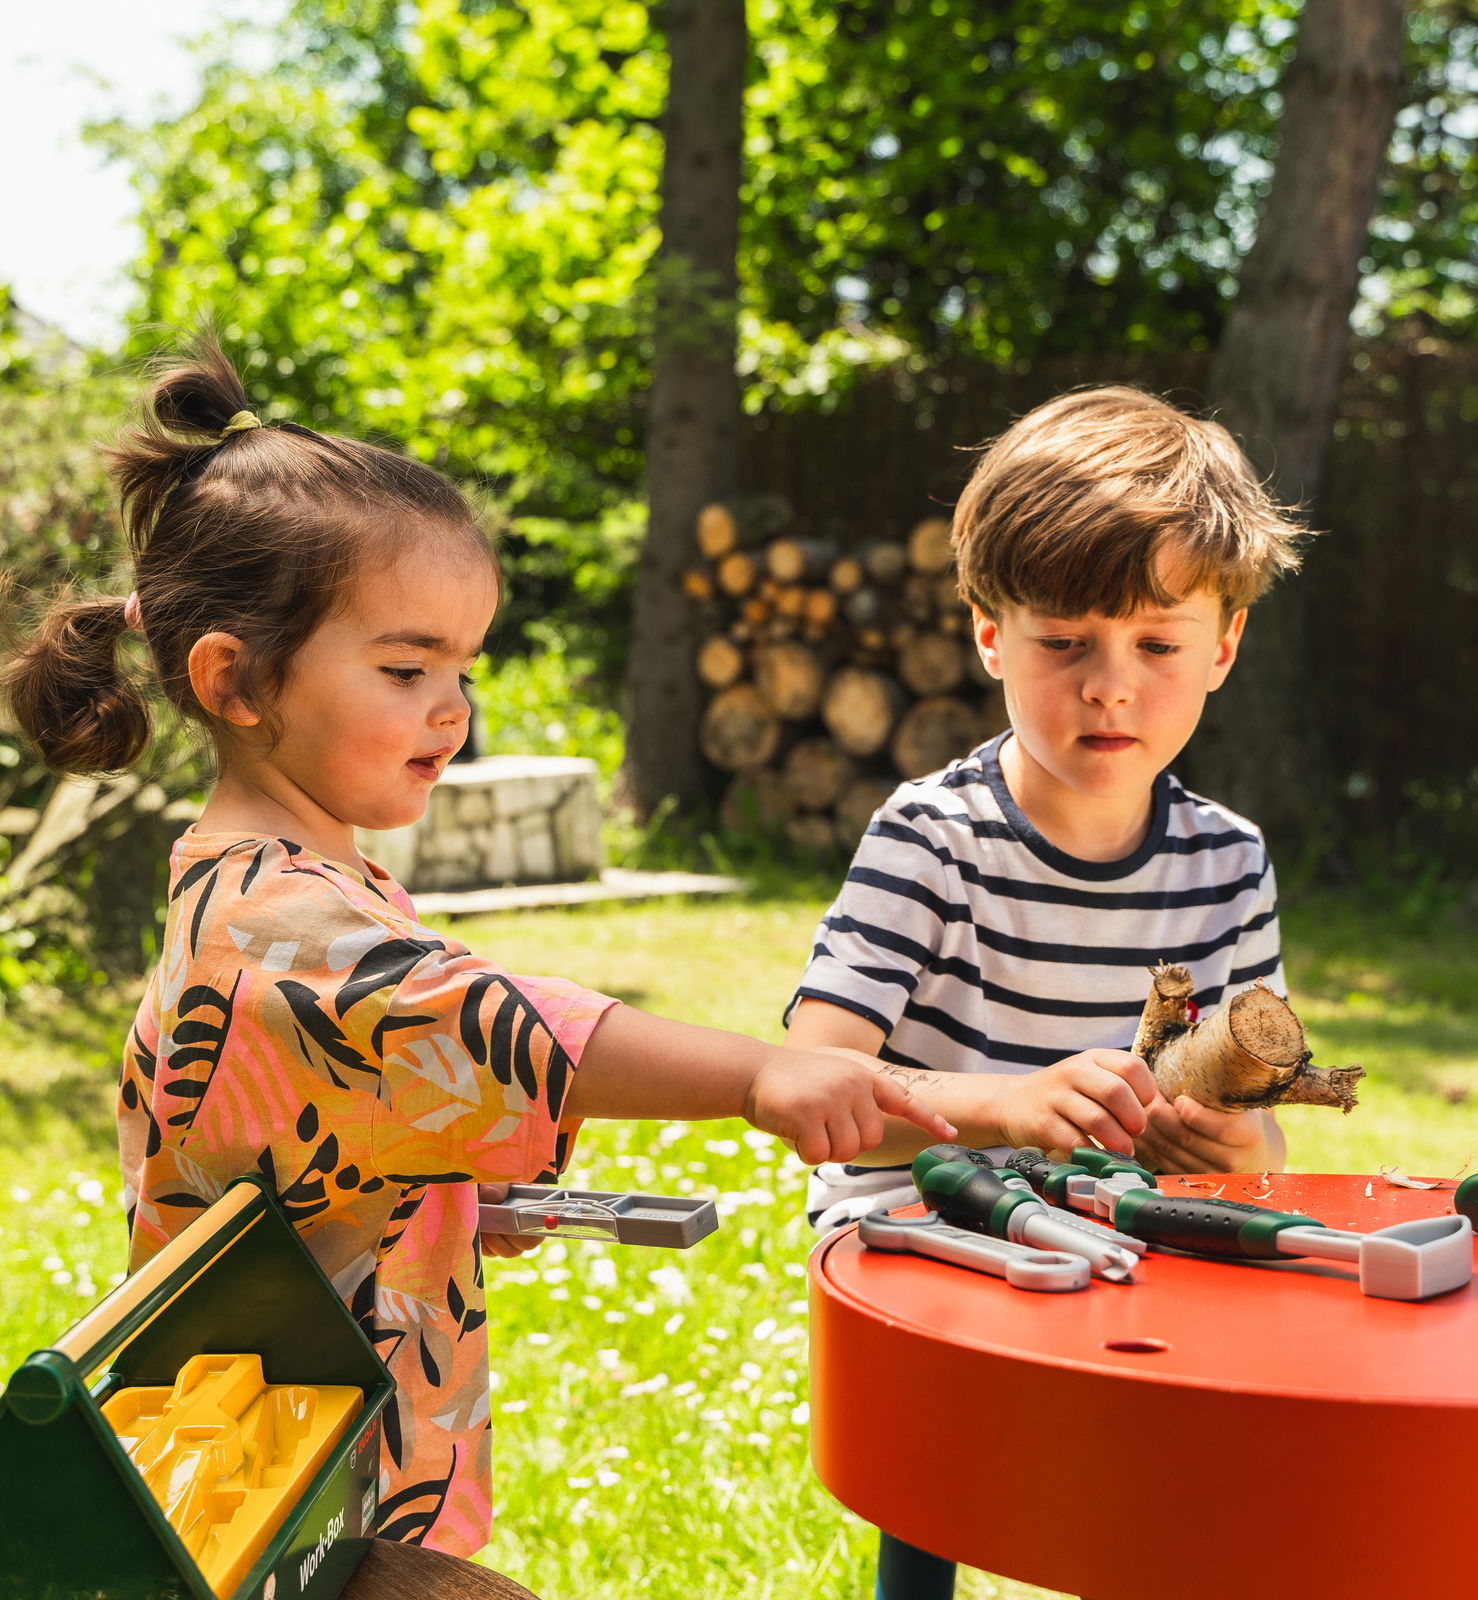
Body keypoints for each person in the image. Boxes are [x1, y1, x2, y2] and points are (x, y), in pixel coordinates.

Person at [4, 332, 954, 1557]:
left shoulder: (293, 880)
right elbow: (499, 1023)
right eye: (406, 667)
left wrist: (437, 1185)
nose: (453, 708)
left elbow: (322, 1136)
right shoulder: (279, 931)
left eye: (464, 664)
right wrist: (765, 1076)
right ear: (237, 683)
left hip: (318, 1474)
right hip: (298, 1514)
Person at [785, 386, 1304, 1231]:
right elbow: (808, 1085)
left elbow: (1264, 1132)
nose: (1108, 687)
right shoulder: (931, 843)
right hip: (920, 1259)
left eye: (1159, 645)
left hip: (1124, 1254)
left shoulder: (1230, 863)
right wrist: (1010, 1106)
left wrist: (1241, 1148)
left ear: (1225, 645)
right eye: (1064, 642)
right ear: (991, 636)